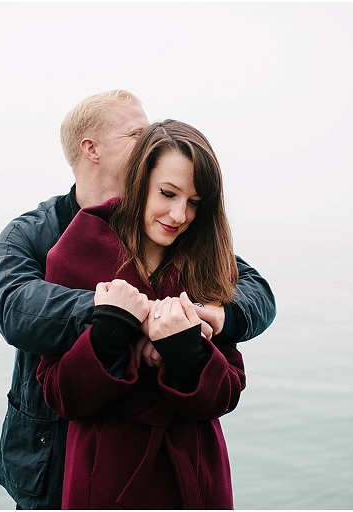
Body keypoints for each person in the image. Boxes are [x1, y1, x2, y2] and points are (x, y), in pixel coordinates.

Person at [0, 90, 275, 509]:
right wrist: (114, 317)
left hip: (184, 476)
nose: (149, 142)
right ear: (92, 149)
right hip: (51, 452)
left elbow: (252, 287)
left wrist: (211, 322)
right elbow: (16, 310)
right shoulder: (36, 235)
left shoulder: (185, 239)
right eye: (135, 134)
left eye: (192, 201)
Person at [37, 119, 245, 509]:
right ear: (138, 181)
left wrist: (186, 352)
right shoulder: (74, 252)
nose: (179, 215)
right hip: (106, 478)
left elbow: (228, 393)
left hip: (195, 480)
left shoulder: (209, 260)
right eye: (168, 193)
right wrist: (110, 336)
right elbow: (58, 394)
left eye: (194, 202)